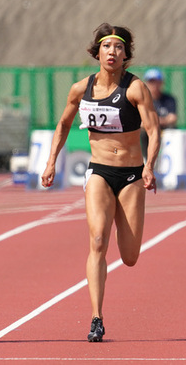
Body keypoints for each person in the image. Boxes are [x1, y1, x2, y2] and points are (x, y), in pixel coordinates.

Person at [40, 24, 160, 342]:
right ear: (97, 53)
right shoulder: (82, 89)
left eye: (118, 47)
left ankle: (123, 218)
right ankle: (96, 317)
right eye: (107, 46)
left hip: (132, 175)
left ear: (125, 55)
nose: (112, 52)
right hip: (99, 173)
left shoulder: (135, 89)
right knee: (96, 241)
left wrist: (149, 166)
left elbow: (154, 128)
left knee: (130, 257)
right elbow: (63, 124)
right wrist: (52, 162)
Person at [141, 67, 178, 155]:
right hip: (148, 130)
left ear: (161, 83)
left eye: (156, 81)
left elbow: (173, 118)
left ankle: (170, 157)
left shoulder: (169, 99)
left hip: (164, 129)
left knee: (172, 131)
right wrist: (161, 120)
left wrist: (154, 121)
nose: (154, 85)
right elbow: (141, 122)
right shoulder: (142, 100)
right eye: (151, 82)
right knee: (142, 132)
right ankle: (145, 158)